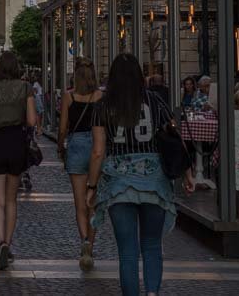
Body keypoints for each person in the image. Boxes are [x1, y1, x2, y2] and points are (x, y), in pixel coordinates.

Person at [87, 53, 194, 296]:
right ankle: (152, 293)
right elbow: (175, 138)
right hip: (153, 179)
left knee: (127, 252)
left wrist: (91, 188)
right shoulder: (155, 101)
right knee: (152, 245)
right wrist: (187, 173)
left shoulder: (102, 106)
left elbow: (97, 152)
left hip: (118, 181)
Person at [0, 50, 36, 270]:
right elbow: (31, 120)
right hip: (16, 143)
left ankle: (0, 242)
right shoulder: (25, 88)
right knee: (12, 200)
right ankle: (8, 244)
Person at [57, 57, 102, 271]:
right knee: (92, 201)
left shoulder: (69, 96)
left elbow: (63, 127)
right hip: (96, 147)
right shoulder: (100, 96)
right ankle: (90, 246)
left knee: (79, 204)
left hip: (75, 147)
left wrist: (60, 146)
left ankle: (84, 240)